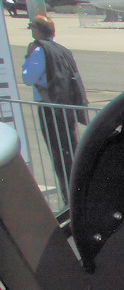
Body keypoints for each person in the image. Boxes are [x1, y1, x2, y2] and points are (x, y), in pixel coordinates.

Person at [21, 14, 88, 206]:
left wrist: (27, 59)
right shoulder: (63, 50)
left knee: (60, 156)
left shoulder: (40, 50)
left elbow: (28, 78)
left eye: (33, 27)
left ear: (38, 30)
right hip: (66, 110)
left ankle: (69, 199)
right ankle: (76, 195)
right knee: (71, 153)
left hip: (51, 110)